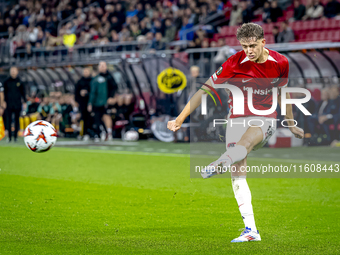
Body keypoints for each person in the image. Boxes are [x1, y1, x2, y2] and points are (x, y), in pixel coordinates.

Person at [167, 23, 304, 242]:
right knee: (238, 173)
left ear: (262, 42)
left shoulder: (280, 62)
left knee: (246, 143)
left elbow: (283, 93)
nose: (248, 51)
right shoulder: (233, 63)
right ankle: (251, 230)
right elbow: (204, 90)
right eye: (244, 46)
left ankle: (223, 160)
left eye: (252, 46)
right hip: (235, 120)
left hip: (264, 118)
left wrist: (290, 122)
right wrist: (180, 119)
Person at [2, 67, 26, 142]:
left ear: (17, 72)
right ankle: (9, 137)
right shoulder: (6, 81)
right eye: (11, 71)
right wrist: (3, 102)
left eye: (14, 71)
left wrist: (24, 102)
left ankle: (15, 137)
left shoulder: (20, 81)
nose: (13, 72)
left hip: (17, 103)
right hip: (8, 103)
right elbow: (3, 93)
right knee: (8, 120)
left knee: (16, 120)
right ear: (10, 72)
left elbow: (23, 92)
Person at [98, 61, 118, 141]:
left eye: (104, 66)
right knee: (100, 116)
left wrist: (111, 97)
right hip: (99, 101)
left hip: (107, 100)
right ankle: (103, 131)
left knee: (107, 115)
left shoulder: (109, 77)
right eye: (101, 66)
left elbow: (114, 87)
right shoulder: (97, 77)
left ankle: (109, 132)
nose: (102, 67)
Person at [88, 67, 108, 142]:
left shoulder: (94, 80)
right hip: (103, 102)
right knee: (101, 118)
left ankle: (99, 134)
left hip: (96, 103)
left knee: (97, 119)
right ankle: (105, 132)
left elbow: (93, 93)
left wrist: (90, 103)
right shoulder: (103, 79)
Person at [75, 68, 92, 140]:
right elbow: (76, 93)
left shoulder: (92, 81)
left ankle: (90, 133)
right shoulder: (79, 82)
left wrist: (87, 93)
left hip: (91, 102)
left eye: (87, 71)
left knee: (90, 118)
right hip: (82, 103)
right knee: (83, 118)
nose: (85, 73)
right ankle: (83, 133)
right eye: (84, 71)